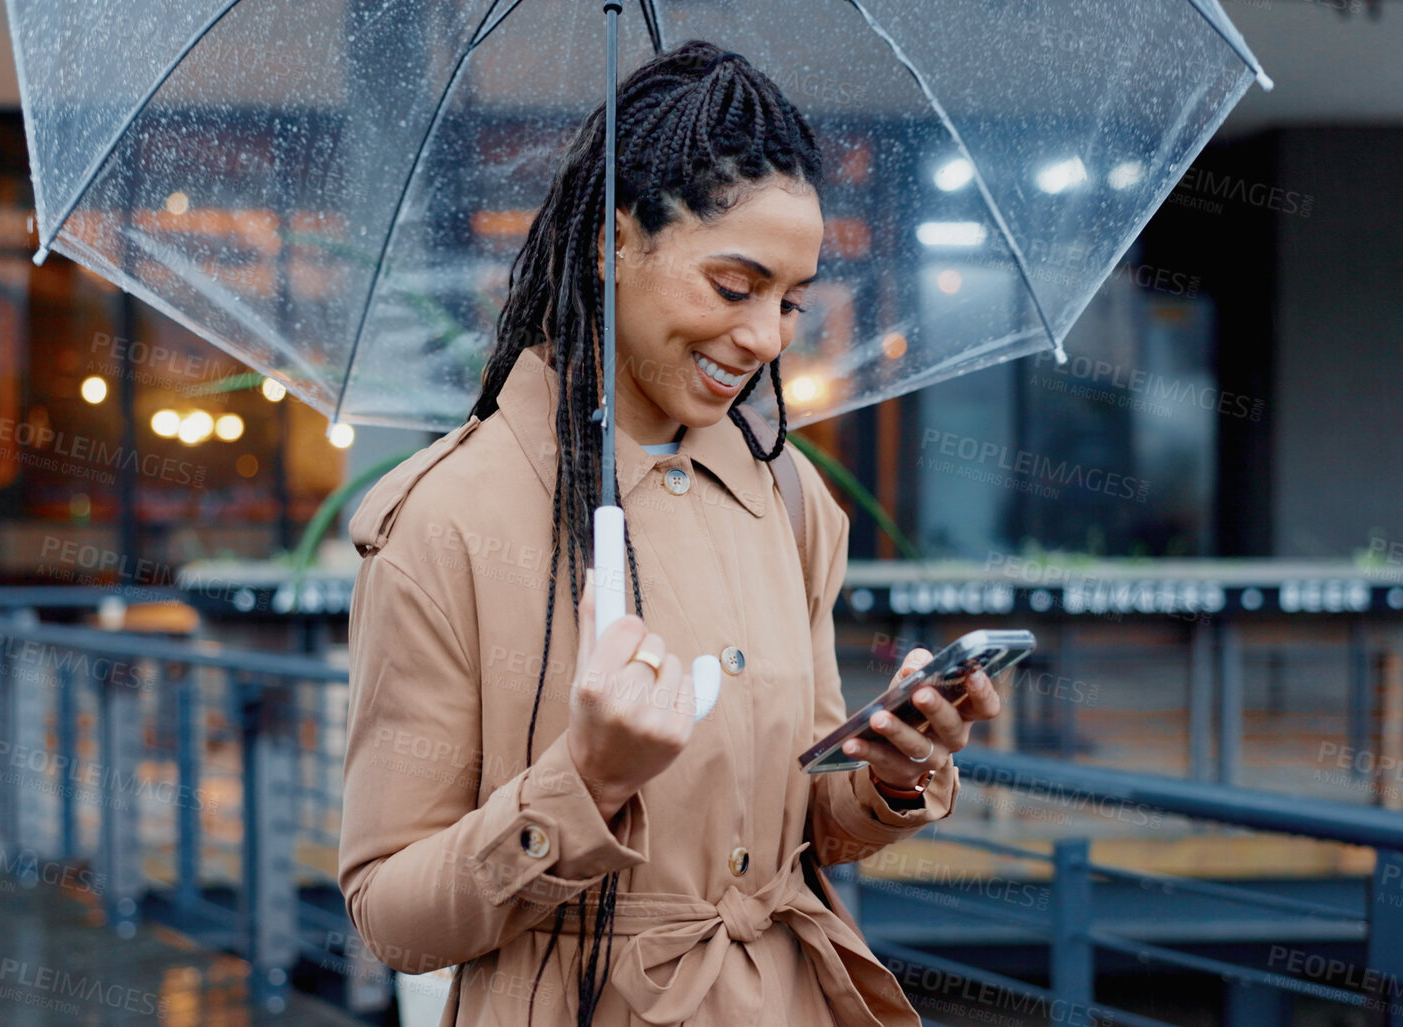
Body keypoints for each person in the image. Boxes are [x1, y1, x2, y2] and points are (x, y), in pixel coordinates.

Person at [338, 39, 1001, 1027]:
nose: (769, 337)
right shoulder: (447, 519)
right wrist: (586, 781)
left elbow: (798, 823)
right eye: (735, 288)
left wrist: (891, 774)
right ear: (613, 245)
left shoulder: (789, 497)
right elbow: (393, 915)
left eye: (791, 301)